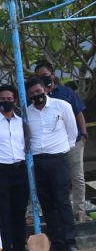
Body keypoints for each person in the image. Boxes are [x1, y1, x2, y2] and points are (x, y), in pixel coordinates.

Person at [25, 76, 80, 251]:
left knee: (62, 201)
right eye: (32, 93)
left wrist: (63, 149)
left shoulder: (61, 106)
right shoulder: (27, 113)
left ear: (46, 89)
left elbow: (72, 132)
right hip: (38, 162)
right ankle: (57, 242)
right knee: (47, 203)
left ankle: (71, 242)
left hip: (58, 159)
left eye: (38, 91)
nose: (36, 95)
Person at [34, 61, 88, 220]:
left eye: (44, 76)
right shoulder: (35, 97)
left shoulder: (66, 92)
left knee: (77, 177)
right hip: (51, 148)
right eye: (38, 77)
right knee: (52, 179)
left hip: (73, 142)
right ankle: (50, 212)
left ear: (52, 75)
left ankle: (80, 211)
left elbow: (79, 113)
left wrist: (83, 133)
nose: (42, 79)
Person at [0, 85, 30, 251]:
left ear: (15, 100)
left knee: (19, 210)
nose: (7, 102)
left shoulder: (21, 122)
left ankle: (20, 247)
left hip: (19, 169)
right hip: (0, 169)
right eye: (3, 99)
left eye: (10, 99)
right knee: (3, 212)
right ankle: (6, 250)